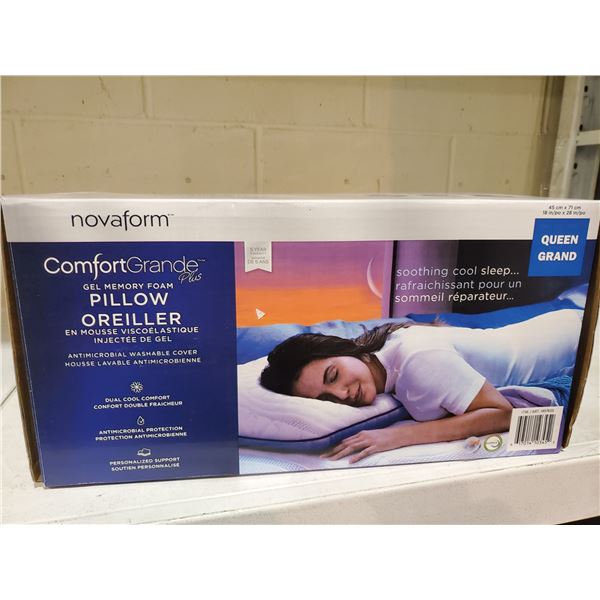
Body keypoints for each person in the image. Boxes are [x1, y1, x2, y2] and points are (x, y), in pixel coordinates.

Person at [260, 309, 583, 463]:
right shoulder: (388, 360)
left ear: (344, 348)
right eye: (328, 399)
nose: (343, 394)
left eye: (333, 375)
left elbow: (503, 414)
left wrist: (396, 436)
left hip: (579, 344)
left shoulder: (416, 360)